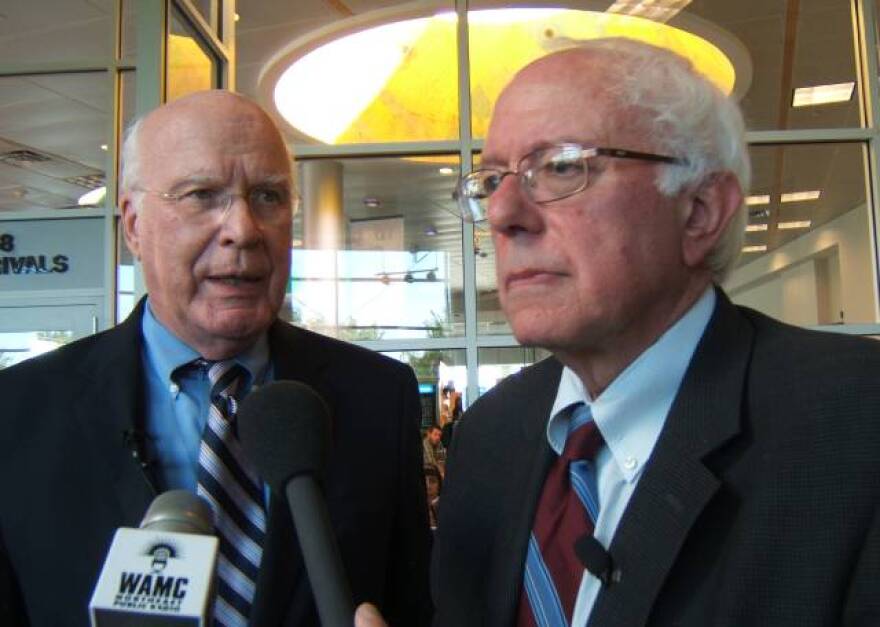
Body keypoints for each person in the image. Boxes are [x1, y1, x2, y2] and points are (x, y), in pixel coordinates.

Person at [357, 37, 880, 627]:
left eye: (560, 167)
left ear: (700, 209)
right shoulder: (488, 436)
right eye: (492, 181)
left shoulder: (857, 429)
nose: (503, 214)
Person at [0, 91, 431, 626]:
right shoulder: (16, 414)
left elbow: (412, 600)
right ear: (133, 225)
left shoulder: (377, 396)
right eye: (202, 195)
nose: (244, 229)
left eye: (268, 196)